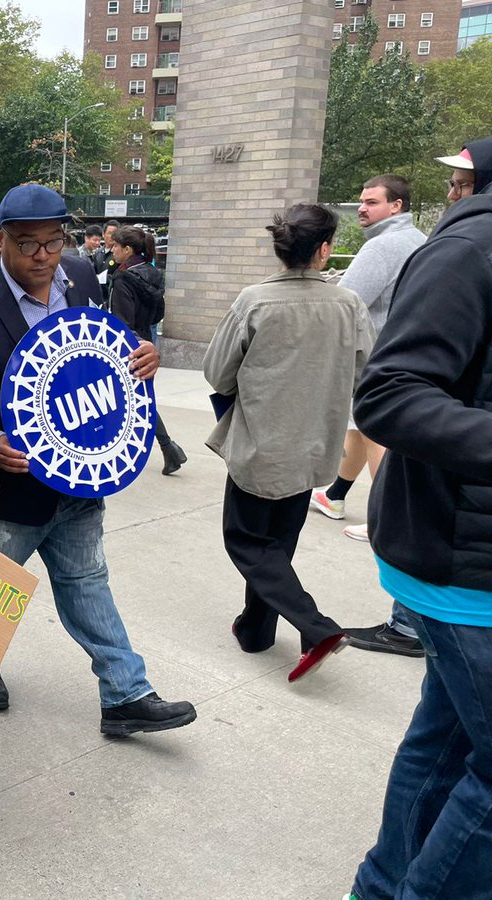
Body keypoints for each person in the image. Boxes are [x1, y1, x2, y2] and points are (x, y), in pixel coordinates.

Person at [0, 183, 196, 733]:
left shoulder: (82, 276)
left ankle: (126, 695)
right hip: (12, 492)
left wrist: (140, 353)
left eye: (53, 242)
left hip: (81, 475)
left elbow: (101, 349)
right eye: (28, 244)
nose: (42, 256)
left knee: (88, 582)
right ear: (0, 240)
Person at [342, 135, 492, 900]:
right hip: (459, 557)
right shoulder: (463, 249)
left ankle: (380, 887)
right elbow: (389, 389)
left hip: (462, 546)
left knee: (447, 742)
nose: (455, 191)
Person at [204, 204, 374, 681]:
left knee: (246, 542)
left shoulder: (254, 301)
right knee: (277, 544)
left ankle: (316, 626)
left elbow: (217, 373)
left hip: (262, 443)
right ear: (323, 250)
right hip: (315, 443)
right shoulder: (349, 304)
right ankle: (255, 630)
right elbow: (366, 369)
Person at [310, 176, 426, 543]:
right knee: (359, 425)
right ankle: (335, 495)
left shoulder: (381, 247)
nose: (362, 207)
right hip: (406, 348)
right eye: (361, 201)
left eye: (372, 202)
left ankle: (387, 520)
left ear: (397, 206)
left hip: (374, 353)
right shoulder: (419, 240)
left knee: (375, 430)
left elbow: (348, 300)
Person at [108, 226, 185, 475]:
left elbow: (121, 320)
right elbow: (159, 313)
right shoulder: (153, 274)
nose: (112, 250)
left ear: (127, 249)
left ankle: (167, 446)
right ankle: (168, 448)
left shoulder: (123, 278)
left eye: (116, 246)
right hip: (147, 340)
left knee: (130, 400)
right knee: (138, 398)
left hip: (128, 344)